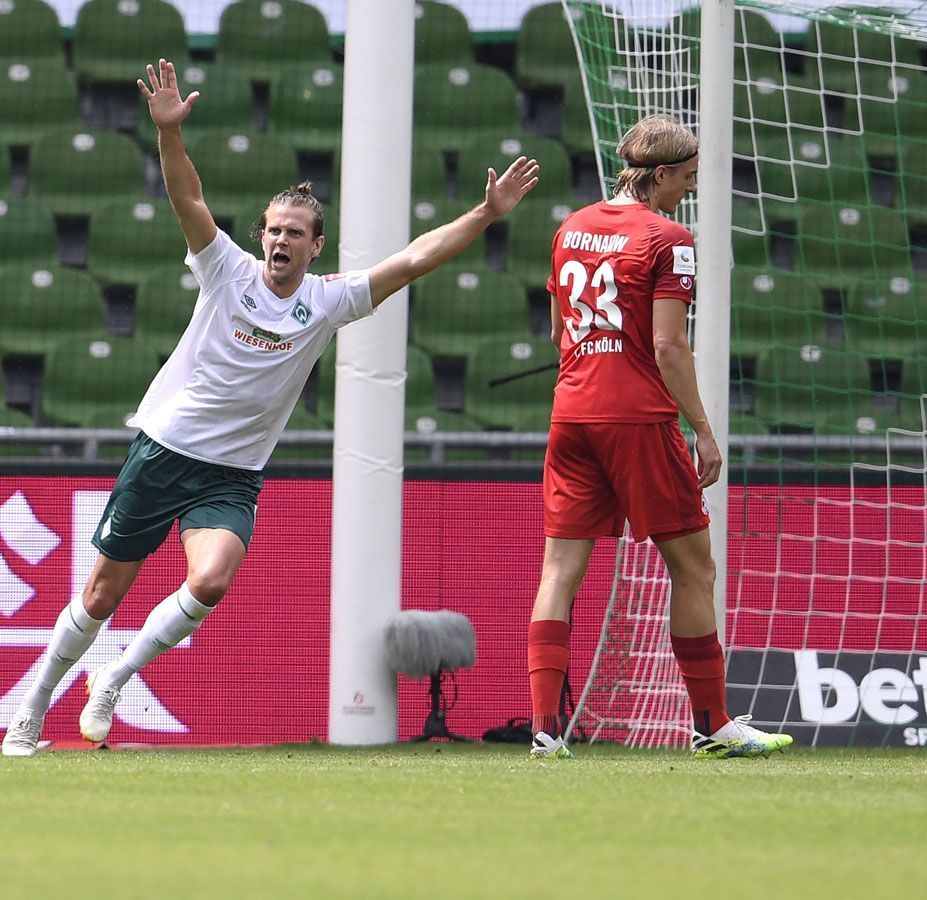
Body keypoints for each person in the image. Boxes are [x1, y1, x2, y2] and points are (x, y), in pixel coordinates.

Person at [1, 58, 540, 757]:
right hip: (164, 451)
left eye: (296, 233)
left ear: (317, 248)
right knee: (100, 597)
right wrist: (169, 135)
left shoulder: (328, 300)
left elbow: (412, 262)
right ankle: (32, 708)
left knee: (212, 580)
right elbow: (188, 200)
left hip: (231, 475)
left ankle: (116, 676)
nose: (281, 241)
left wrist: (486, 214)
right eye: (274, 230)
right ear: (261, 236)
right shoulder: (225, 271)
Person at [524, 114, 790, 760]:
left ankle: (545, 732)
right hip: (638, 418)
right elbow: (670, 345)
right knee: (694, 567)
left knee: (559, 569)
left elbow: (561, 334)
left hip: (572, 415)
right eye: (689, 178)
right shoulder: (670, 238)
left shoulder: (570, 228)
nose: (691, 190)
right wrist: (703, 429)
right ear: (662, 174)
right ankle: (712, 723)